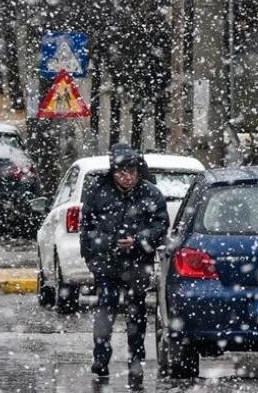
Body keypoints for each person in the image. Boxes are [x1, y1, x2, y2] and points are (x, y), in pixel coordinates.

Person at [80, 143, 170, 388]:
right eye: (121, 172)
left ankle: (136, 361)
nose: (127, 177)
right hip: (106, 264)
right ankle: (100, 360)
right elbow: (87, 227)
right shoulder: (98, 191)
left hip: (137, 264)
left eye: (131, 172)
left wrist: (138, 241)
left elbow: (160, 225)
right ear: (113, 172)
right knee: (105, 312)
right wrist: (92, 256)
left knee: (136, 314)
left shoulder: (150, 193)